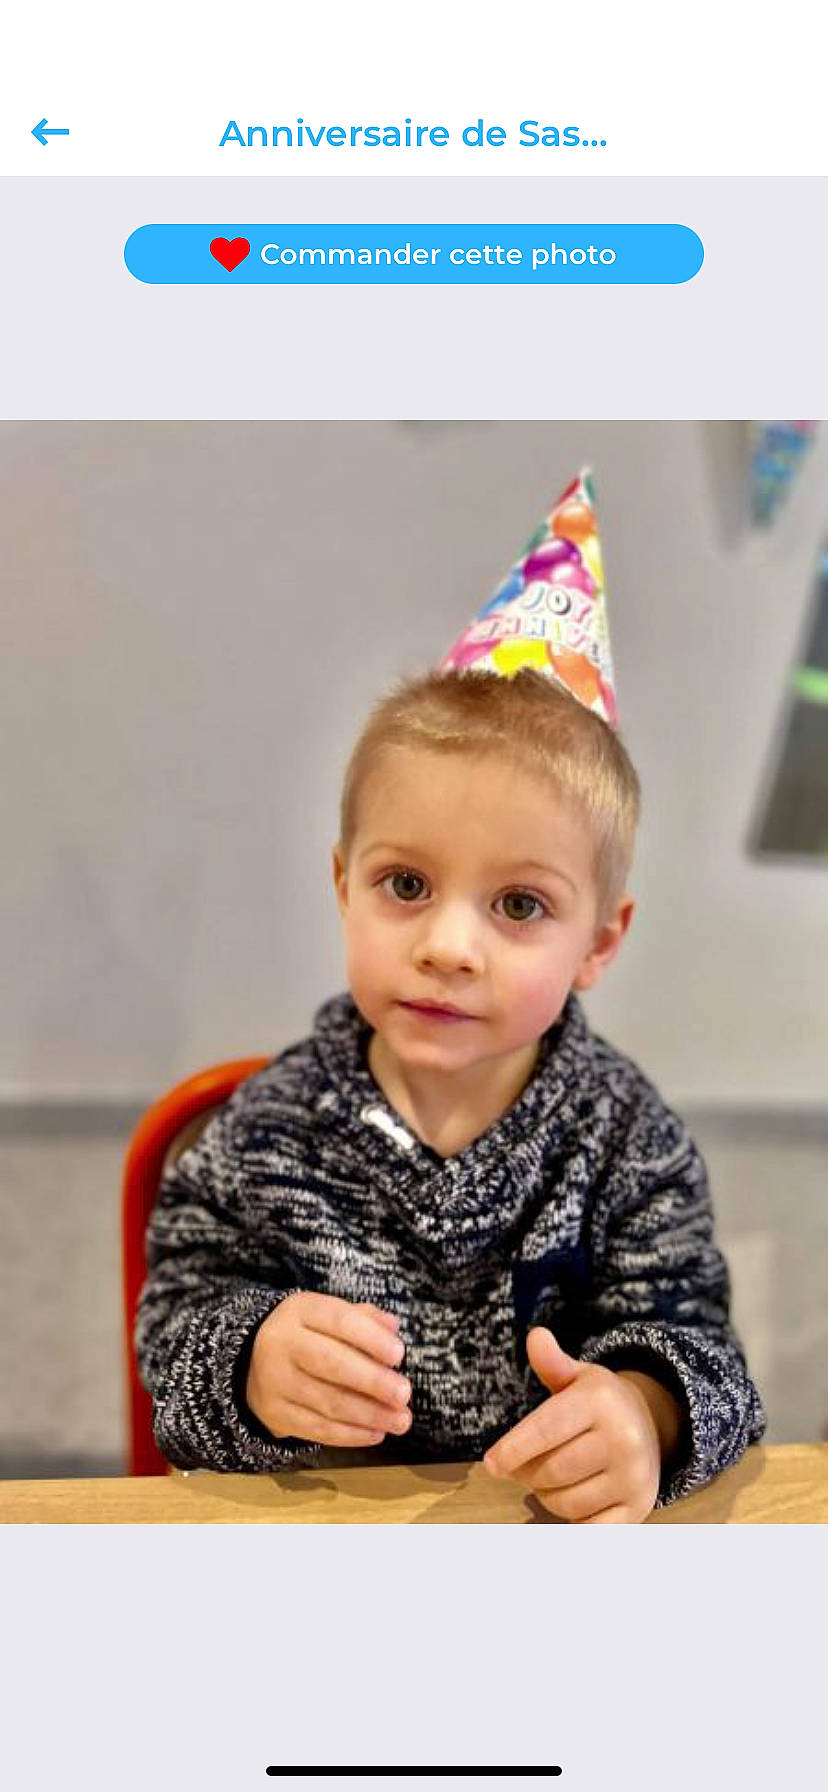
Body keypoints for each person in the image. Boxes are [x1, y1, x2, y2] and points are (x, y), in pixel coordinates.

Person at [136, 474, 765, 1520]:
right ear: (345, 885)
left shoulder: (627, 1142)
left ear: (600, 941)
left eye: (519, 903)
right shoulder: (262, 1137)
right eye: (407, 885)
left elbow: (702, 1351)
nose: (448, 946)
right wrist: (247, 1359)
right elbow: (171, 1341)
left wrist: (643, 1413)